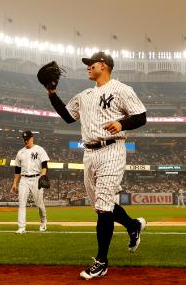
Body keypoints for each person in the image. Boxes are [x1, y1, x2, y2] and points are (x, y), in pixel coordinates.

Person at [45, 51, 147, 280]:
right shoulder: (85, 95)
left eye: (91, 64)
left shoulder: (121, 89)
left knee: (103, 208)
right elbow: (68, 116)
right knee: (105, 206)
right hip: (89, 154)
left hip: (112, 150)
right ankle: (133, 226)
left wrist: (122, 123)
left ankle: (101, 262)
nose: (88, 67)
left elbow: (141, 116)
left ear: (104, 65)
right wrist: (52, 93)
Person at [11, 131, 49, 234]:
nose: (26, 140)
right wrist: (15, 183)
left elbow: (45, 165)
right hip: (24, 180)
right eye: (24, 139)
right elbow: (17, 170)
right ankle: (21, 227)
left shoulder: (39, 150)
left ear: (32, 138)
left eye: (27, 138)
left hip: (37, 178)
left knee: (39, 204)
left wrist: (43, 176)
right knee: (22, 204)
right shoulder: (20, 152)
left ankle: (43, 222)